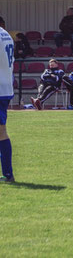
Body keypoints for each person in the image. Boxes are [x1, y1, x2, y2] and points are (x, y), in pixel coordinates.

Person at [0, 16, 16, 182]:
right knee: (1, 131)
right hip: (6, 87)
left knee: (1, 132)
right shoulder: (6, 35)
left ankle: (8, 174)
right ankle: (7, 173)